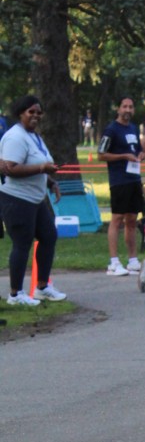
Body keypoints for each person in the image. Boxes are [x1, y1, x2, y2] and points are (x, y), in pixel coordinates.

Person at [0, 94, 68, 306]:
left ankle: (42, 287)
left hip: (35, 200)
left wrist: (50, 182)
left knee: (48, 236)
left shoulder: (34, 136)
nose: (36, 116)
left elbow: (39, 163)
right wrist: (41, 168)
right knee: (22, 243)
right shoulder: (15, 137)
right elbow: (11, 169)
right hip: (16, 199)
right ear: (21, 113)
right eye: (31, 112)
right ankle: (15, 295)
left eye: (39, 112)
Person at [98, 95, 145, 274]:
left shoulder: (133, 128)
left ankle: (132, 260)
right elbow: (101, 154)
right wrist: (123, 156)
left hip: (134, 179)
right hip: (119, 180)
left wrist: (141, 154)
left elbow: (138, 149)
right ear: (118, 109)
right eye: (124, 106)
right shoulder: (111, 129)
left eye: (130, 107)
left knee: (132, 219)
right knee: (117, 219)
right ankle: (114, 262)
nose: (127, 110)